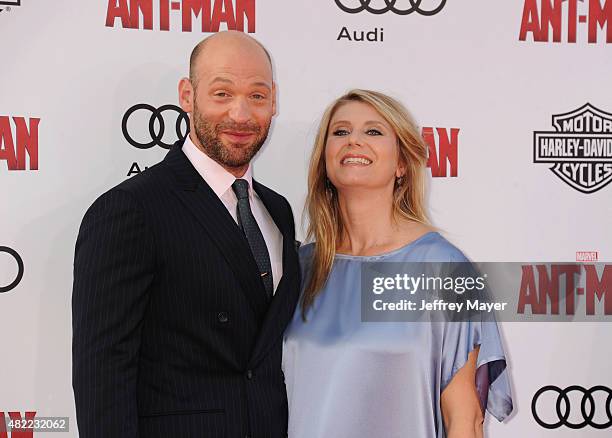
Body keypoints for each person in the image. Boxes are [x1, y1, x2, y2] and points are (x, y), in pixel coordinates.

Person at [72, 31, 300, 438]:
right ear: (187, 95)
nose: (241, 115)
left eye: (258, 96)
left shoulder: (278, 211)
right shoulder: (132, 209)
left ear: (275, 101)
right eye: (222, 93)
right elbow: (101, 375)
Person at [283, 89, 513, 438]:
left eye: (373, 132)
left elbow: (465, 421)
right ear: (324, 159)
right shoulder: (298, 269)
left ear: (402, 163)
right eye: (340, 132)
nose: (354, 141)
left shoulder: (444, 269)